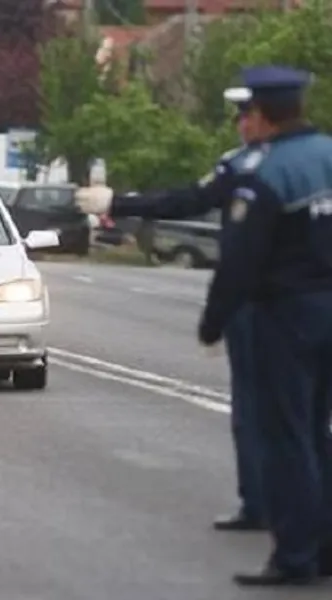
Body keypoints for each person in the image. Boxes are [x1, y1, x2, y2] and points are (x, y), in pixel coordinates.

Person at [74, 86, 266, 533]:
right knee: (290, 414)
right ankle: (265, 504)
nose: (241, 124)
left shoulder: (248, 167)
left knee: (276, 413)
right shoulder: (315, 159)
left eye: (247, 115)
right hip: (303, 306)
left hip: (268, 307)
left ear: (264, 118)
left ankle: (287, 518)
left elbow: (190, 205)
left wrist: (116, 204)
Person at [195, 65, 332, 586]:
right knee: (320, 431)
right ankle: (324, 546)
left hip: (287, 314)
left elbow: (241, 260)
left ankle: (295, 555)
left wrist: (214, 321)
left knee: (286, 436)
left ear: (259, 114)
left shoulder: (268, 171)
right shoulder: (327, 155)